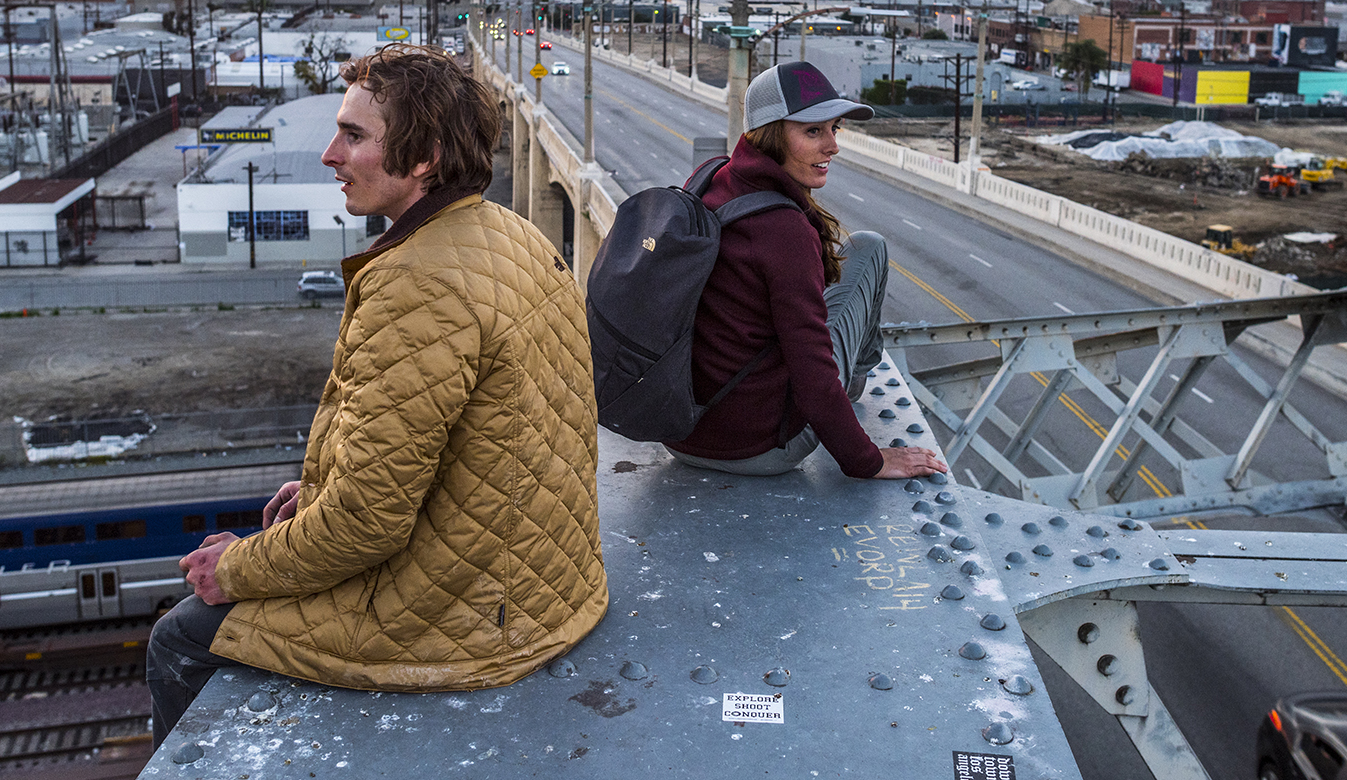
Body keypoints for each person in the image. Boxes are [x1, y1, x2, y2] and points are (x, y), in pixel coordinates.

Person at [147, 45, 607, 743]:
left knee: (179, 637)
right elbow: (479, 437)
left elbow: (367, 523)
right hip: (547, 586)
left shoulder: (415, 282)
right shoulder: (511, 234)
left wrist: (234, 567)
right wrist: (327, 483)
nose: (330, 153)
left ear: (422, 157)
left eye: (354, 136)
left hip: (470, 620)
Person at [663, 61, 948, 482]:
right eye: (813, 131)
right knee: (869, 248)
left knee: (850, 261)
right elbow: (813, 373)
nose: (833, 146)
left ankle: (849, 380)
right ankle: (854, 382)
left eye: (835, 129)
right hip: (759, 449)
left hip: (681, 433)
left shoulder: (710, 178)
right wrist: (868, 460)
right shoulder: (783, 230)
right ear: (772, 135)